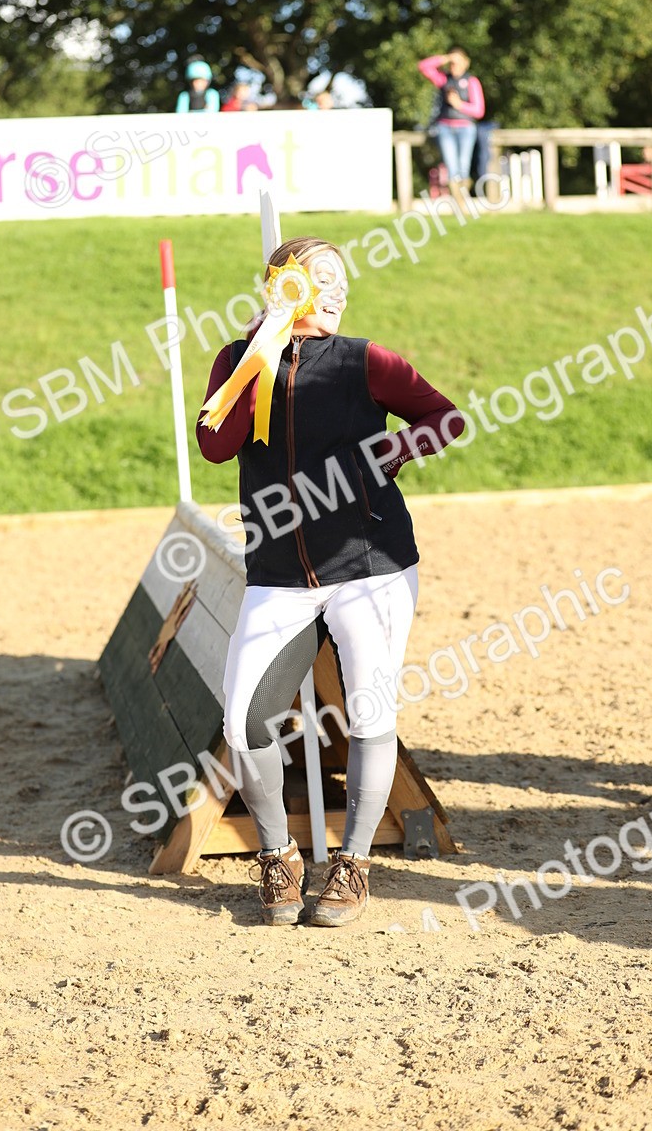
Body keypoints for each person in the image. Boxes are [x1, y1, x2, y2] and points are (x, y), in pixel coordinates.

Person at [196, 237, 465, 927]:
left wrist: (389, 453)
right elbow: (215, 443)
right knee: (243, 719)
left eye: (341, 278)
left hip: (371, 566)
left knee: (372, 710)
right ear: (283, 286)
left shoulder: (365, 360)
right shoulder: (237, 359)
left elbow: (446, 418)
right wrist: (257, 355)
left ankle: (353, 865)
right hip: (279, 574)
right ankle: (279, 856)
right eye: (320, 278)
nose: (336, 289)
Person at [418, 49, 485, 186]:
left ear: (466, 63)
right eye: (453, 63)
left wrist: (460, 105)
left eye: (458, 62)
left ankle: (463, 197)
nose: (455, 66)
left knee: (463, 167)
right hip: (445, 127)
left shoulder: (472, 82)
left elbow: (479, 111)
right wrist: (446, 58)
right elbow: (423, 66)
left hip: (466, 128)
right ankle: (457, 199)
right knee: (451, 167)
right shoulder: (443, 80)